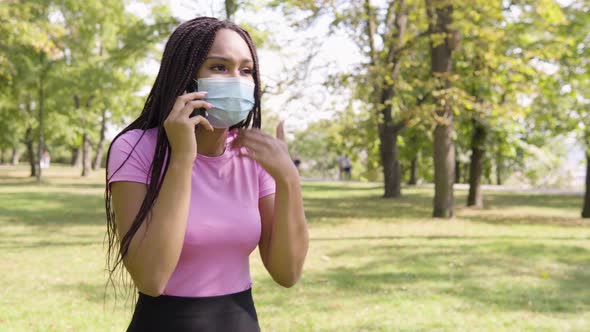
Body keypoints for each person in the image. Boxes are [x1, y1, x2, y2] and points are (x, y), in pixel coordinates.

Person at [104, 17, 308, 332]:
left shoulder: (254, 154)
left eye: (246, 70)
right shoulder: (133, 148)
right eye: (219, 67)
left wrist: (288, 180)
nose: (237, 80)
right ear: (186, 76)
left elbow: (288, 273)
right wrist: (183, 158)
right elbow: (151, 278)